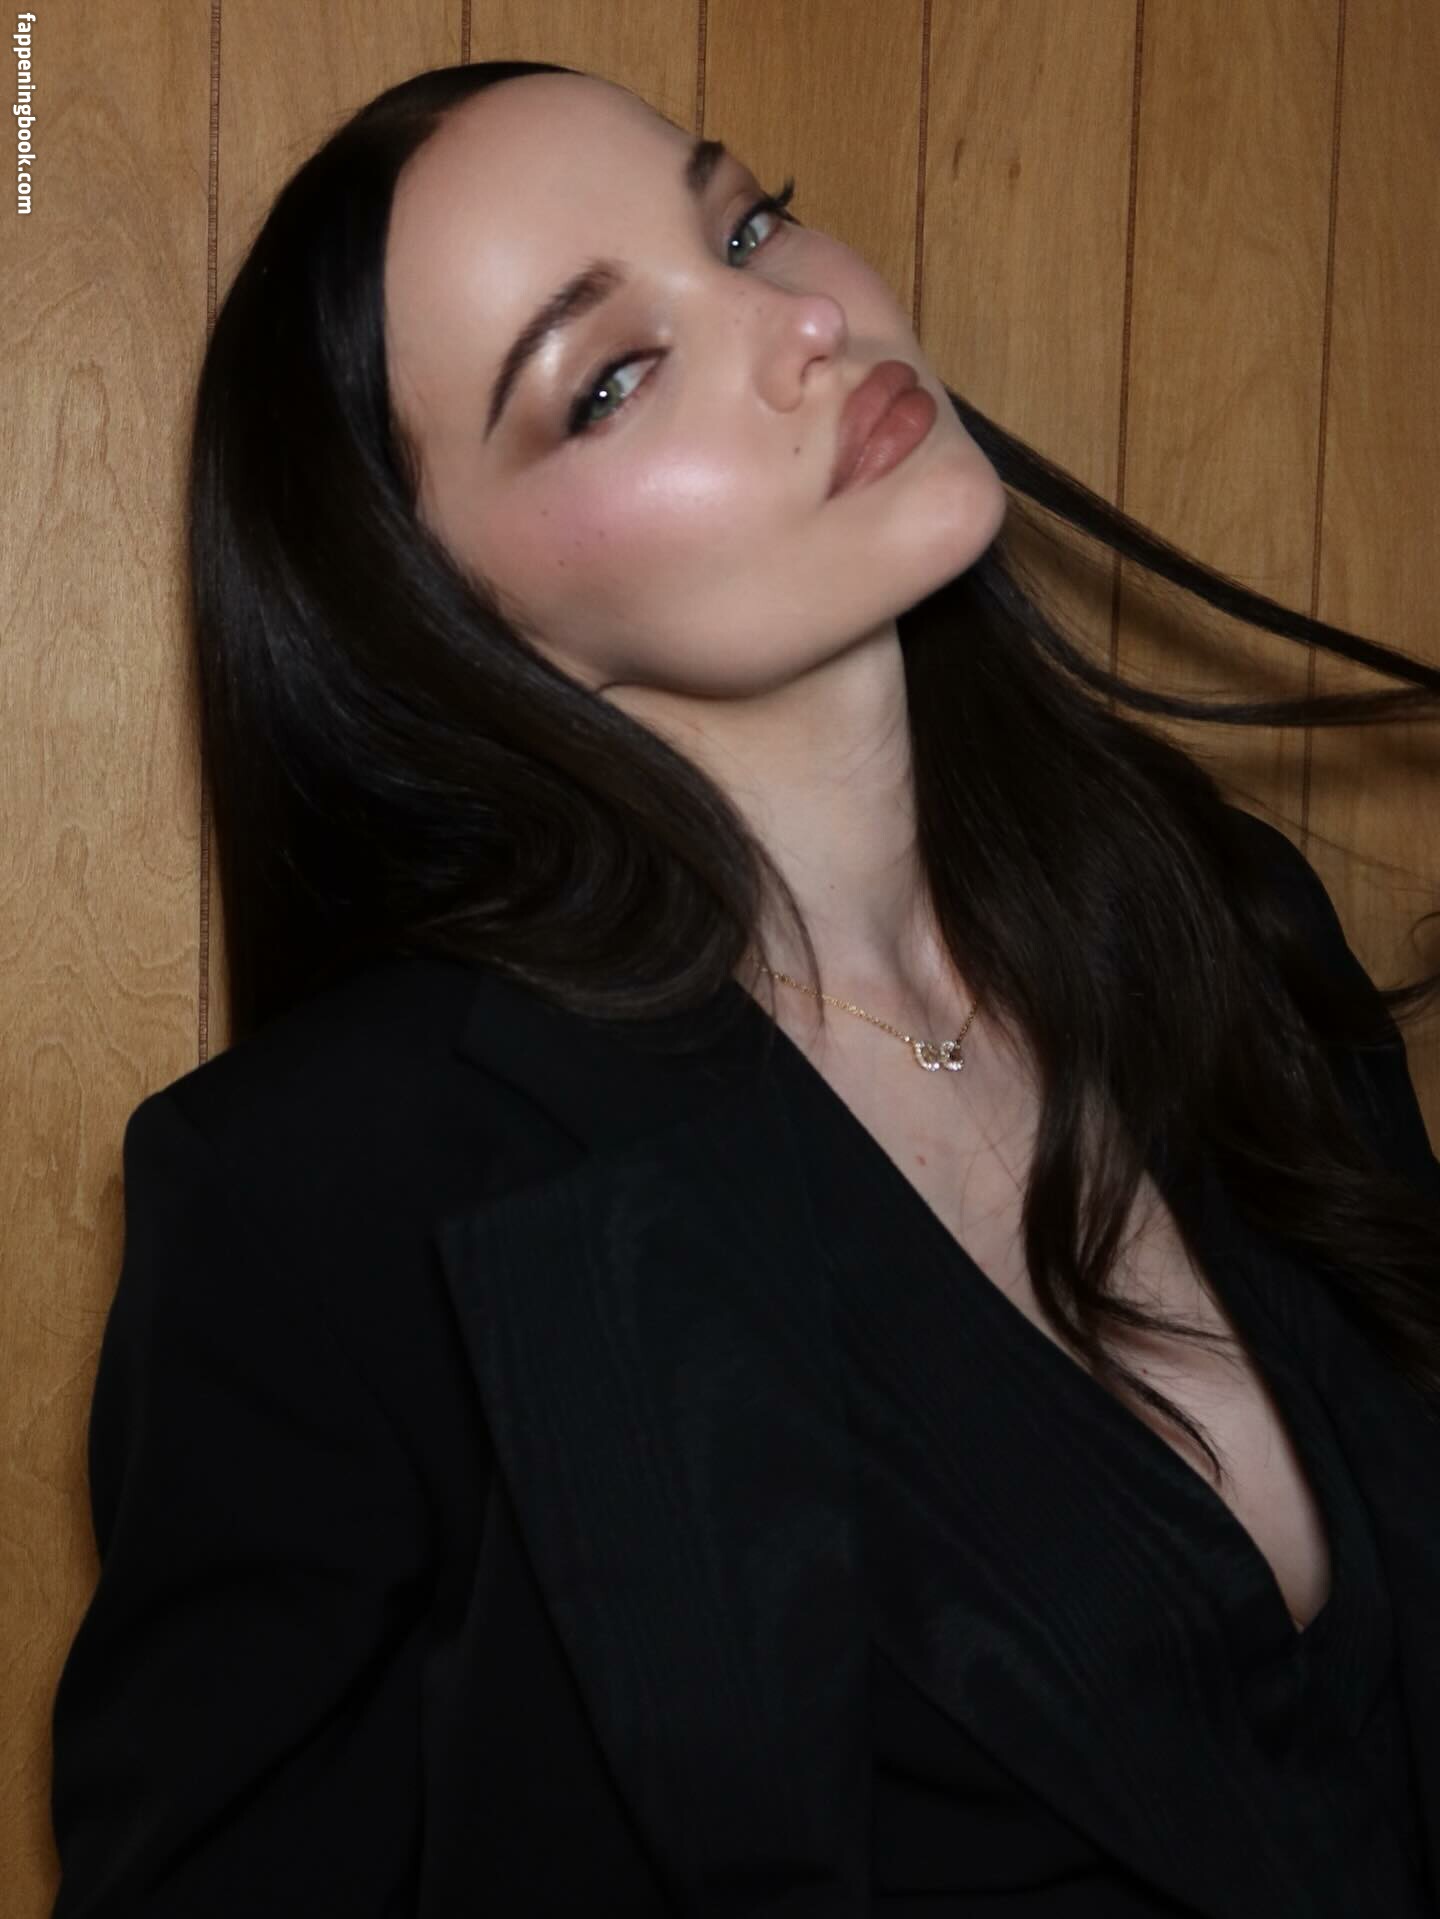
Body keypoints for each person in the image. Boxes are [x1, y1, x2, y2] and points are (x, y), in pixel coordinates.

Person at [48, 58, 1440, 1917]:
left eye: (748, 224)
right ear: (448, 618)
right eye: (611, 379)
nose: (802, 324)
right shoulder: (332, 1203)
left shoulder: (1215, 912)